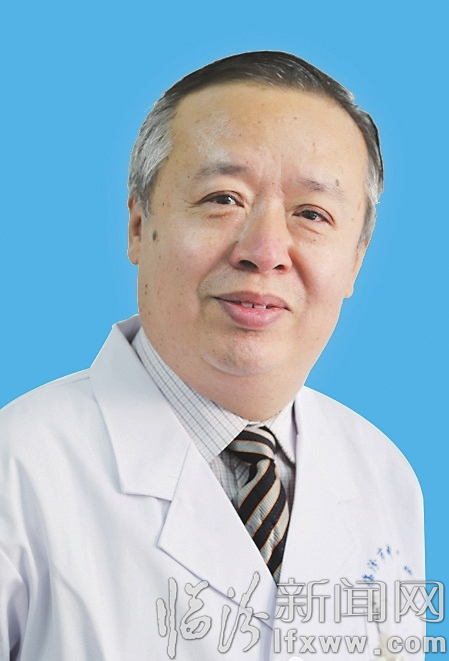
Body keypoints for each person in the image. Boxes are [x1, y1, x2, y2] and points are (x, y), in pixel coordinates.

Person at [0, 52, 424, 660]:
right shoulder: (18, 469)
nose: (265, 251)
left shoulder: (384, 476)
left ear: (355, 259)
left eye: (312, 214)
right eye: (223, 198)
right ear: (138, 225)